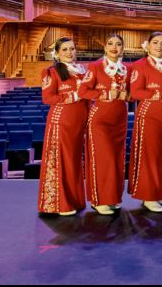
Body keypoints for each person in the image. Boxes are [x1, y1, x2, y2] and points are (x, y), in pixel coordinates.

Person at [79, 34, 130, 215]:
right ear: (105, 48)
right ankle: (99, 199)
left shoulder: (126, 69)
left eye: (118, 44)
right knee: (103, 159)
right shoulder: (95, 67)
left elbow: (131, 93)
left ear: (123, 48)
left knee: (116, 160)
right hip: (100, 118)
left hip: (120, 119)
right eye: (110, 44)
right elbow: (83, 90)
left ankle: (112, 198)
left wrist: (128, 96)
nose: (114, 47)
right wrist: (107, 94)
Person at [38, 37, 89, 216]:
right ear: (57, 53)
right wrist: (72, 97)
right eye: (65, 49)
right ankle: (61, 204)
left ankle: (75, 200)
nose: (70, 52)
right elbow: (47, 98)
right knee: (63, 160)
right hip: (62, 122)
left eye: (72, 49)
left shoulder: (82, 70)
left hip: (79, 122)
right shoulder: (51, 72)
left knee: (75, 162)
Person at [128, 32, 162, 213]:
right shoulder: (140, 65)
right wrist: (158, 94)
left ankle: (160, 192)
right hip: (150, 116)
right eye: (155, 43)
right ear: (147, 45)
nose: (159, 46)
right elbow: (135, 92)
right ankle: (148, 196)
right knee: (149, 156)